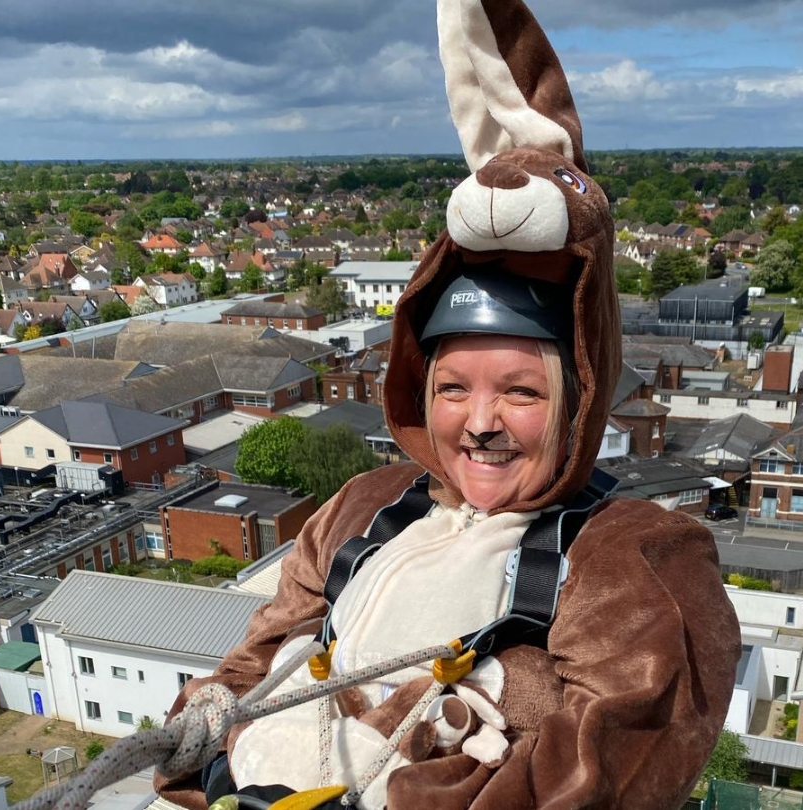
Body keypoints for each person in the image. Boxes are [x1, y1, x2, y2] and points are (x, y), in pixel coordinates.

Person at [156, 1, 740, 807]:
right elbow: (262, 656)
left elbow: (604, 768)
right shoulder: (364, 507)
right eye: (453, 387)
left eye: (522, 392)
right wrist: (213, 730)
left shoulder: (634, 554)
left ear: (577, 403)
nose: (481, 422)